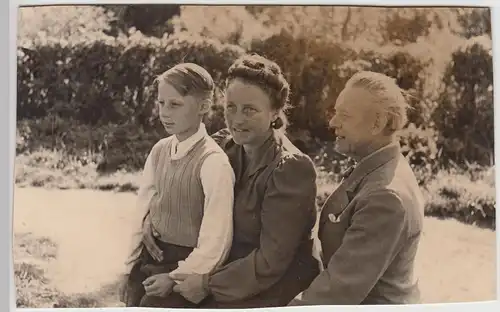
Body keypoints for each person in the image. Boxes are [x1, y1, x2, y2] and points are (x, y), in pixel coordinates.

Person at [158, 53, 320, 308]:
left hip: (266, 285)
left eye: (250, 110)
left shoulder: (290, 169)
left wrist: (207, 283)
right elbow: (180, 190)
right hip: (223, 266)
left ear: (275, 112)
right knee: (150, 294)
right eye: (230, 107)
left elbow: (271, 261)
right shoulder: (222, 144)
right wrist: (150, 221)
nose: (237, 119)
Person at [288, 71, 425, 306]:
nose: (332, 123)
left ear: (377, 123)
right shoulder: (381, 168)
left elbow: (337, 292)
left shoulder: (385, 197)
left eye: (345, 115)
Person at [118, 63, 235, 308]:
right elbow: (142, 211)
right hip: (150, 258)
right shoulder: (160, 150)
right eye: (161, 103)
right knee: (131, 301)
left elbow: (217, 239)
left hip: (186, 266)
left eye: (175, 104)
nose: (164, 113)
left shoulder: (212, 162)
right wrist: (128, 268)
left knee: (152, 305)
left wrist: (174, 278)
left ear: (203, 106)